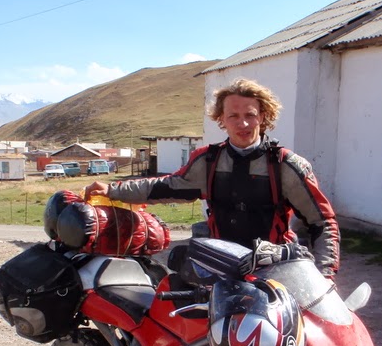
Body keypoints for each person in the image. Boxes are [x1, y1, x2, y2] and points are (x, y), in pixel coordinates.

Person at [84, 78, 340, 276]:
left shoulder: (285, 165)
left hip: (274, 269)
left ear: (263, 117)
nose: (243, 124)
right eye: (233, 116)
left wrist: (325, 276)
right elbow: (165, 187)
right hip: (221, 266)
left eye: (250, 115)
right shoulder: (208, 161)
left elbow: (322, 222)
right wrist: (112, 190)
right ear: (221, 120)